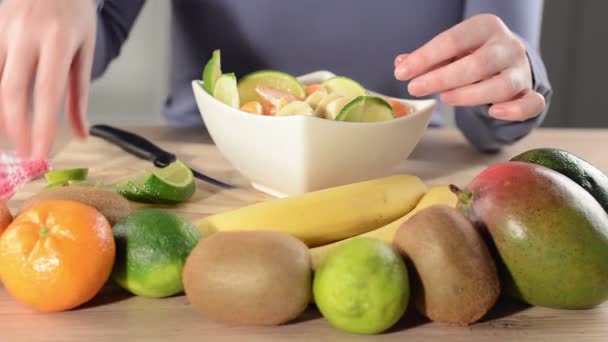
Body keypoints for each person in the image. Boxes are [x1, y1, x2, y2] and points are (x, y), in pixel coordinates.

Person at [0, 0, 551, 160]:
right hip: (207, 171)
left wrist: (517, 73)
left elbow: (491, 124)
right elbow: (83, 50)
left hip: (402, 177)